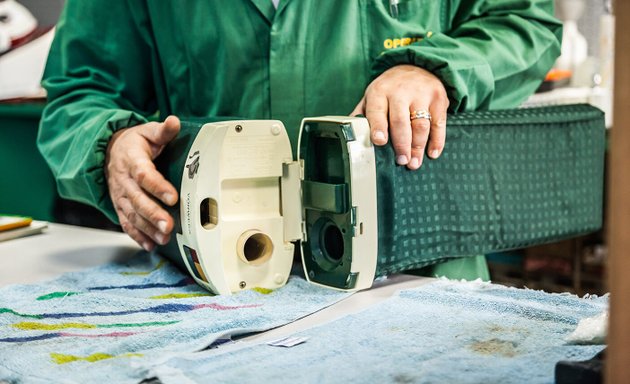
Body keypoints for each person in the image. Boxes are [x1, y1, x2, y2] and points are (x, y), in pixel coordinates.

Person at [37, 0, 561, 279]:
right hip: (210, 286)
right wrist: (109, 148)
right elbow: (80, 91)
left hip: (417, 276)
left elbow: (525, 23)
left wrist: (436, 70)